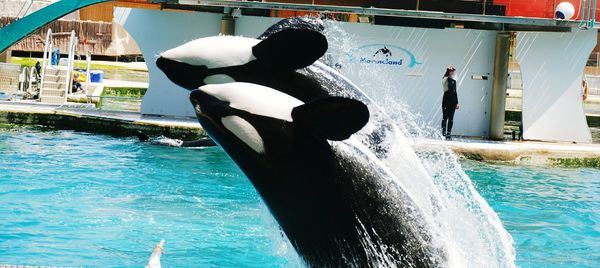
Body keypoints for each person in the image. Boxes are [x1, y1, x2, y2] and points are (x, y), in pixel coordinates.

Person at [441, 65, 459, 140]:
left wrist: (457, 103)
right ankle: (443, 134)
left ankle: (449, 134)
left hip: (452, 101)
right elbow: (445, 78)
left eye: (453, 71)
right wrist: (448, 70)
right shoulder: (445, 79)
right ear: (448, 71)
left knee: (451, 119)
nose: (452, 72)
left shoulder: (454, 81)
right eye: (451, 71)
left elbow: (455, 92)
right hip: (446, 99)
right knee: (445, 117)